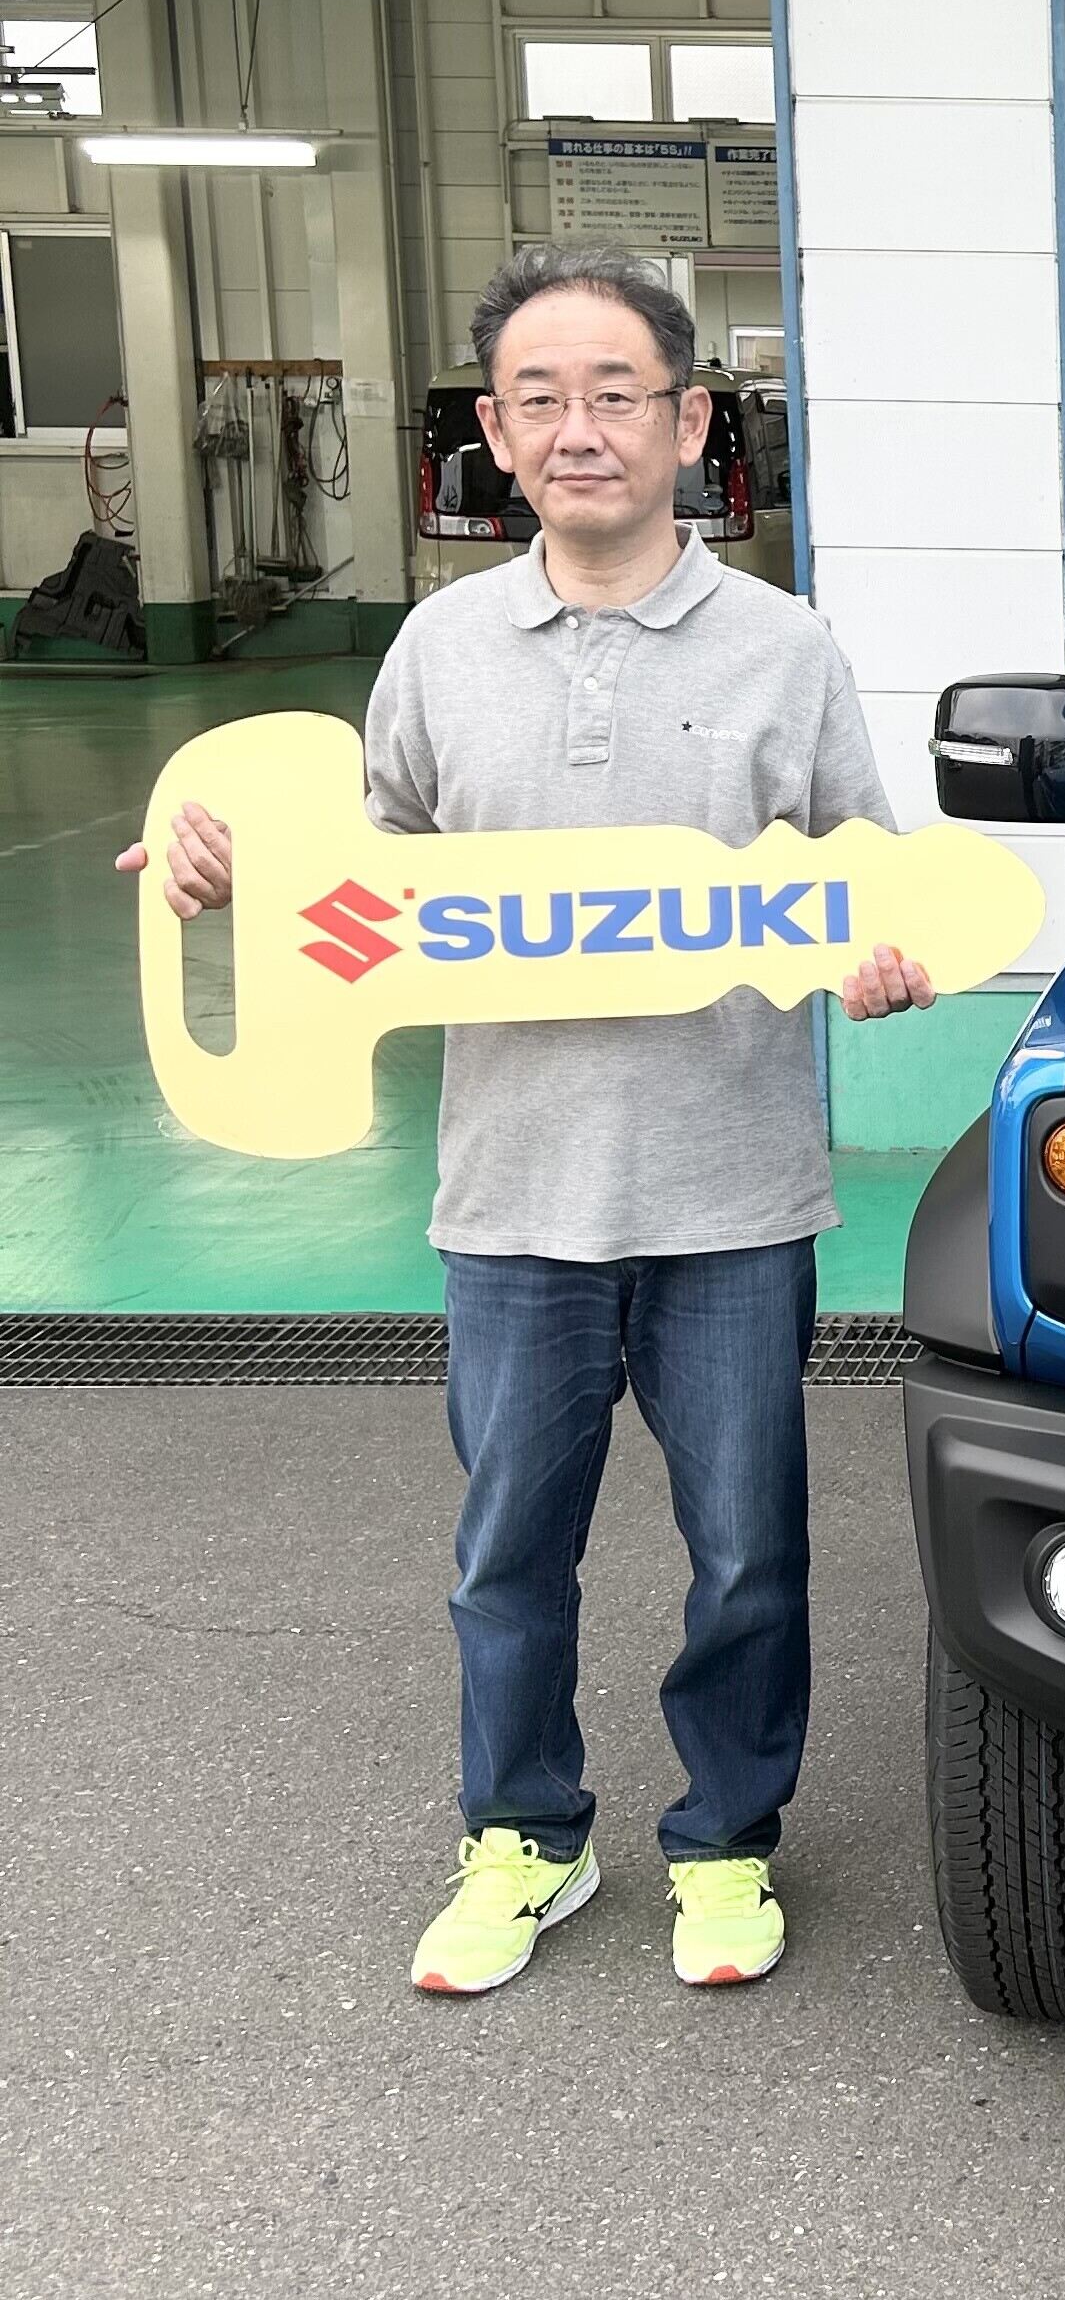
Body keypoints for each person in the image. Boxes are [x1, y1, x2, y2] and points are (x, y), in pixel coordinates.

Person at [123, 248, 934, 1997]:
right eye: (541, 399)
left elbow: (868, 877)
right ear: (493, 435)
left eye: (617, 394)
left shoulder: (786, 651)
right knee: (507, 1555)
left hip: (731, 1196)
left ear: (689, 425)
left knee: (749, 1553)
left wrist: (887, 955)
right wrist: (235, 872)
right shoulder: (438, 649)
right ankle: (525, 1836)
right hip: (508, 1200)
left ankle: (726, 1840)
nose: (582, 429)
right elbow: (370, 878)